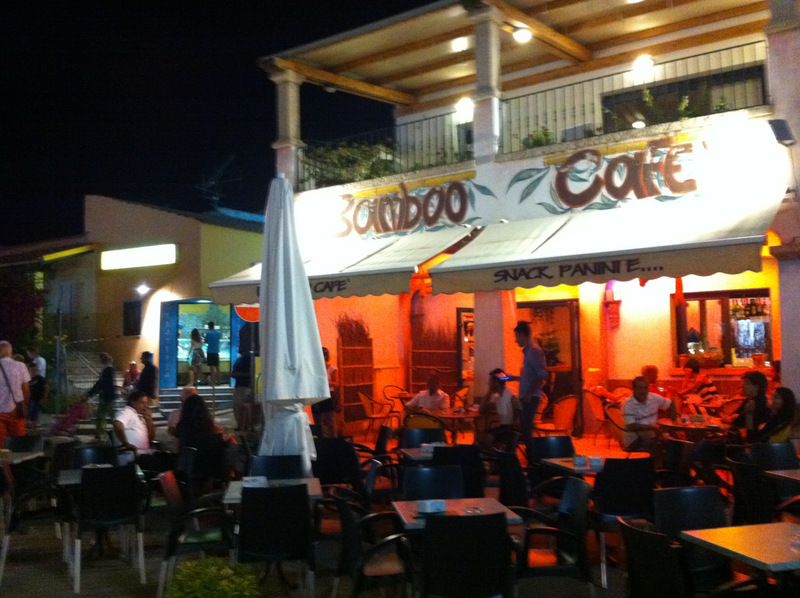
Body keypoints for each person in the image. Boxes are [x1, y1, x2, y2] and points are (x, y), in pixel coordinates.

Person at [507, 321, 547, 444]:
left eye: (516, 337)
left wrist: (529, 393)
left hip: (530, 397)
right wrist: (514, 378)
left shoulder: (533, 351)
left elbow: (541, 375)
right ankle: (530, 453)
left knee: (526, 429)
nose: (516, 340)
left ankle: (532, 454)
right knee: (524, 428)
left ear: (522, 335)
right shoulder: (528, 352)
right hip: (526, 396)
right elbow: (531, 376)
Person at [622, 375, 676, 453]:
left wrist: (671, 421)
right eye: (640, 388)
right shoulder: (628, 404)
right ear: (634, 389)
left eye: (645, 388)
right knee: (663, 445)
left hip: (652, 435)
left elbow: (669, 404)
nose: (643, 391)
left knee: (674, 440)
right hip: (635, 441)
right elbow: (631, 426)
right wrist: (652, 428)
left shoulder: (653, 397)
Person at [477, 368, 518, 451]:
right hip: (513, 430)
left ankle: (486, 455)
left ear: (495, 382)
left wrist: (489, 392)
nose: (488, 383)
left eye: (490, 381)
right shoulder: (512, 393)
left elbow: (482, 410)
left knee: (479, 436)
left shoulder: (494, 396)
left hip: (500, 430)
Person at [0, 340, 31, 445]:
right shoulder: (20, 366)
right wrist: (25, 405)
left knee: (1, 445)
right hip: (16, 410)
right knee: (17, 443)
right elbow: (26, 389)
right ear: (10, 352)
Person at [113, 390, 155, 456]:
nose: (146, 406)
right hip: (131, 454)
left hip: (144, 453)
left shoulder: (140, 416)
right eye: (142, 403)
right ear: (133, 402)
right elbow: (117, 424)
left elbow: (151, 438)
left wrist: (149, 421)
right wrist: (125, 443)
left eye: (146, 403)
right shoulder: (127, 411)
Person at [86, 352, 118, 438]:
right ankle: (114, 432)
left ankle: (100, 434)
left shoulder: (107, 371)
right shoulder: (110, 370)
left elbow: (101, 384)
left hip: (106, 397)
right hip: (110, 397)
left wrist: (90, 394)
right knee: (111, 416)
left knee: (101, 416)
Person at [311, 347, 339, 438]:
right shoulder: (313, 369)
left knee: (330, 422)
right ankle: (321, 442)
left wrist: (323, 382)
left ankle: (333, 442)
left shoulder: (332, 369)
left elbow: (336, 383)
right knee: (318, 423)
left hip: (328, 396)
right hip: (317, 396)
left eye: (325, 355)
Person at [230, 352, 254, 432]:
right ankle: (241, 425)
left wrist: (238, 374)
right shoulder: (239, 359)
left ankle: (245, 425)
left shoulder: (248, 358)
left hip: (245, 385)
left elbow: (250, 373)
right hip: (238, 385)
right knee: (237, 406)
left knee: (243, 406)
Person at [27, 362, 49, 434]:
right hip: (30, 399)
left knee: (34, 415)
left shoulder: (40, 378)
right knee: (30, 415)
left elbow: (46, 388)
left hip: (37, 399)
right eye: (32, 370)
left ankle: (34, 430)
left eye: (35, 370)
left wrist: (44, 398)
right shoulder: (28, 379)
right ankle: (32, 430)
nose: (33, 371)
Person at [204, 322, 222, 386]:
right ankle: (219, 381)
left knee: (212, 367)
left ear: (208, 326)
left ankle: (213, 382)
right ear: (214, 326)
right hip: (216, 351)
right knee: (217, 367)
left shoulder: (208, 333)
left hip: (210, 351)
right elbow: (220, 338)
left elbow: (206, 341)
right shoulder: (219, 333)